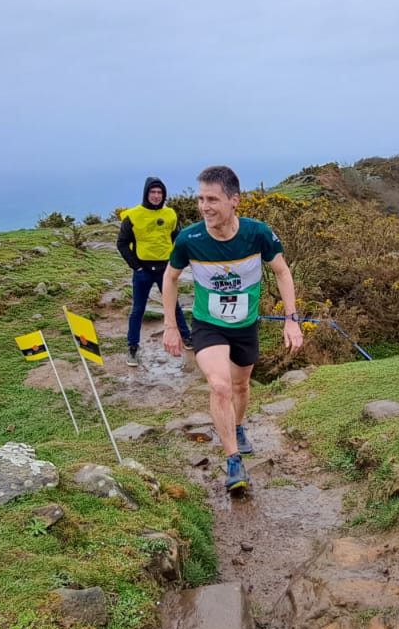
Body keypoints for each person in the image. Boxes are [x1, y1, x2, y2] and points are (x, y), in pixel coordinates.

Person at [162, 165, 304, 492]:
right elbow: (169, 277)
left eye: (212, 199)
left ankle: (237, 426)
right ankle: (233, 461)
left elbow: (282, 273)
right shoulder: (190, 239)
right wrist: (171, 325)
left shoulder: (257, 234)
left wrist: (291, 319)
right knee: (220, 386)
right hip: (208, 324)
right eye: (200, 199)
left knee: (240, 387)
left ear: (234, 201)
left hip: (245, 324)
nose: (204, 206)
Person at [116, 176, 193, 367]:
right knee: (138, 310)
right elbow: (122, 243)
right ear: (146, 193)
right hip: (143, 269)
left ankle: (188, 338)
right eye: (153, 192)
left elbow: (178, 239)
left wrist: (178, 261)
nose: (156, 196)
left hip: (166, 269)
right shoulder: (132, 216)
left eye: (160, 192)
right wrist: (137, 266)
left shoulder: (171, 214)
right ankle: (133, 348)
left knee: (173, 306)